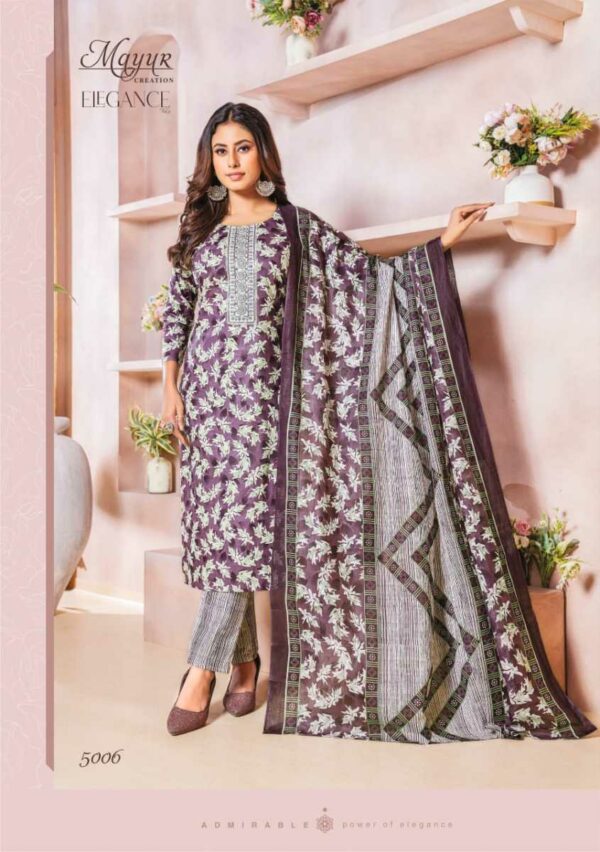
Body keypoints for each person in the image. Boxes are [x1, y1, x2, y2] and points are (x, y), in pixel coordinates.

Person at [160, 102, 595, 744]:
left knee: (246, 535)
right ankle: (245, 667)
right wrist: (170, 387)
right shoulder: (200, 232)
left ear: (264, 154)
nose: (232, 162)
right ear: (210, 161)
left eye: (243, 148)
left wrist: (441, 244)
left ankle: (199, 673)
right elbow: (178, 312)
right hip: (208, 405)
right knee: (225, 538)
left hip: (273, 412)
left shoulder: (296, 230)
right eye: (220, 151)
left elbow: (368, 278)